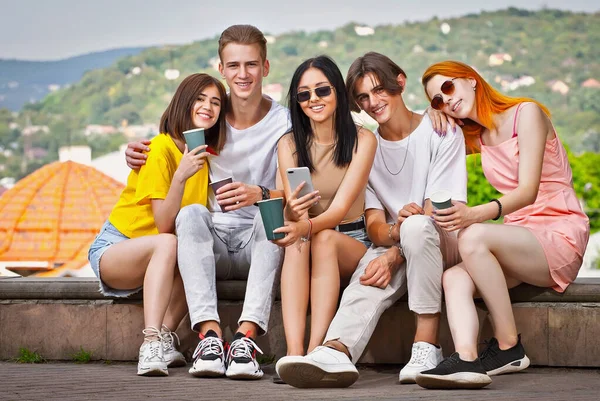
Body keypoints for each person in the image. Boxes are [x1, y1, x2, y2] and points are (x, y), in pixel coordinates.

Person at [275, 52, 467, 388]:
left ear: (400, 83)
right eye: (363, 96)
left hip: (442, 237)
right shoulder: (371, 145)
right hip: (393, 240)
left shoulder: (442, 131)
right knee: (371, 272)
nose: (373, 102)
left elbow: (438, 214)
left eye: (379, 90)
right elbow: (376, 226)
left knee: (417, 229)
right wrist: (393, 238)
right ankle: (334, 350)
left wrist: (397, 251)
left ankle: (426, 346)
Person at [124, 25, 289, 380]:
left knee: (269, 216)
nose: (242, 74)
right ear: (222, 68)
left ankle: (246, 341)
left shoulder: (284, 122)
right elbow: (168, 143)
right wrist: (136, 151)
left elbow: (298, 187)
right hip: (209, 243)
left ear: (266, 67)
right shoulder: (209, 115)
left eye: (251, 65)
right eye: (233, 66)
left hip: (257, 244)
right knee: (192, 213)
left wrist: (258, 193)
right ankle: (209, 337)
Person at [415, 61, 590, 389]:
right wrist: (429, 113)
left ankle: (509, 345)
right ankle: (467, 359)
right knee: (453, 277)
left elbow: (528, 191)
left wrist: (474, 215)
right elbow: (429, 143)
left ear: (471, 80)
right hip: (520, 237)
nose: (447, 100)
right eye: (438, 99)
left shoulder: (527, 114)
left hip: (558, 233)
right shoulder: (477, 135)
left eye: (449, 87)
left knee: (473, 235)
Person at [88, 73, 227, 376]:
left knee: (201, 254)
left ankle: (165, 335)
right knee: (169, 242)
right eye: (200, 99)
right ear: (183, 103)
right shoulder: (159, 149)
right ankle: (149, 341)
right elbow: (164, 225)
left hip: (161, 255)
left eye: (216, 102)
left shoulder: (202, 158)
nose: (208, 107)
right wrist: (181, 174)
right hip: (117, 247)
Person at [273, 56, 376, 369]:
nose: (313, 99)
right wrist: (291, 211)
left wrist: (304, 227)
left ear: (338, 93)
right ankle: (293, 353)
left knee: (322, 240)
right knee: (299, 240)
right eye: (303, 95)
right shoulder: (288, 144)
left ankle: (317, 350)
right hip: (306, 238)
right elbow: (291, 214)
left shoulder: (363, 140)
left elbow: (342, 207)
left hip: (350, 239)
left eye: (322, 91)